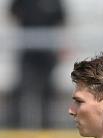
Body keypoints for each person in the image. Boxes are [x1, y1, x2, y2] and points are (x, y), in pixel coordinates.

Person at [4, 0, 66, 128]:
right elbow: (11, 13)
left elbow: (61, 22)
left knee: (47, 93)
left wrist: (62, 44)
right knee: (23, 91)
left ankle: (47, 129)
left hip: (48, 55)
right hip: (27, 54)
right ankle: (16, 128)